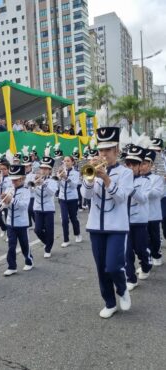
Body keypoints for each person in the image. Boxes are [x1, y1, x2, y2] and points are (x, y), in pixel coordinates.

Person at [81, 127, 133, 319]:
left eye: (108, 150)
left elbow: (121, 198)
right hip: (96, 226)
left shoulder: (126, 173)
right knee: (101, 268)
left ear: (116, 151)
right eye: (101, 150)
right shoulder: (92, 170)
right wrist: (89, 177)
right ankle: (109, 303)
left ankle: (122, 288)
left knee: (113, 266)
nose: (103, 154)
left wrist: (105, 178)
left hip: (117, 226)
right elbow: (85, 196)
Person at [124, 145, 152, 291]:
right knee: (127, 251)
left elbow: (143, 199)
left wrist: (131, 188)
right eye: (128, 164)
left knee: (141, 249)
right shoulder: (121, 179)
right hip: (123, 221)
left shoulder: (146, 181)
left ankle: (146, 265)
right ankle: (131, 278)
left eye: (134, 164)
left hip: (139, 221)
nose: (131, 167)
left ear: (140, 165)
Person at [2, 165, 33, 275]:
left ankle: (29, 261)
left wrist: (12, 199)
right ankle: (12, 266)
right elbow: (5, 206)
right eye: (12, 180)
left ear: (22, 179)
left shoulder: (26, 190)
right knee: (11, 245)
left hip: (22, 223)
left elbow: (24, 206)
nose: (13, 182)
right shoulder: (9, 189)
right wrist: (4, 203)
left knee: (24, 244)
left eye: (15, 180)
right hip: (10, 222)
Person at [140, 149, 164, 266]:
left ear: (151, 165)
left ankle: (157, 255)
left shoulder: (157, 178)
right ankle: (147, 258)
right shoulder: (136, 178)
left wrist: (144, 192)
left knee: (155, 237)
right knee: (144, 239)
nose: (142, 166)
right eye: (141, 163)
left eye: (144, 163)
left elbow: (157, 193)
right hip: (140, 216)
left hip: (153, 214)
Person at [33, 156, 58, 258]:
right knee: (37, 230)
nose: (43, 170)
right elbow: (31, 192)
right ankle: (47, 242)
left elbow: (52, 192)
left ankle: (48, 248)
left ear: (50, 170)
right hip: (38, 208)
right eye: (42, 168)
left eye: (45, 168)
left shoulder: (53, 180)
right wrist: (34, 186)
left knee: (49, 230)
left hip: (48, 209)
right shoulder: (35, 178)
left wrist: (43, 184)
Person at [58, 156, 82, 247]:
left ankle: (77, 233)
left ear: (72, 162)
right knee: (64, 219)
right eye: (65, 161)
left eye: (68, 161)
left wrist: (66, 178)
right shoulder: (60, 171)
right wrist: (59, 178)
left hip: (72, 198)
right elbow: (57, 186)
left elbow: (74, 186)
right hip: (62, 198)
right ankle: (66, 239)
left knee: (73, 218)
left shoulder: (76, 173)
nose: (66, 162)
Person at [0, 160, 12, 241]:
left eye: (4, 169)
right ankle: (4, 228)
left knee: (8, 218)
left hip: (7, 200)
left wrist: (1, 182)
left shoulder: (11, 178)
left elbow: (9, 188)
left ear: (8, 169)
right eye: (1, 169)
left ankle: (9, 234)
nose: (3, 171)